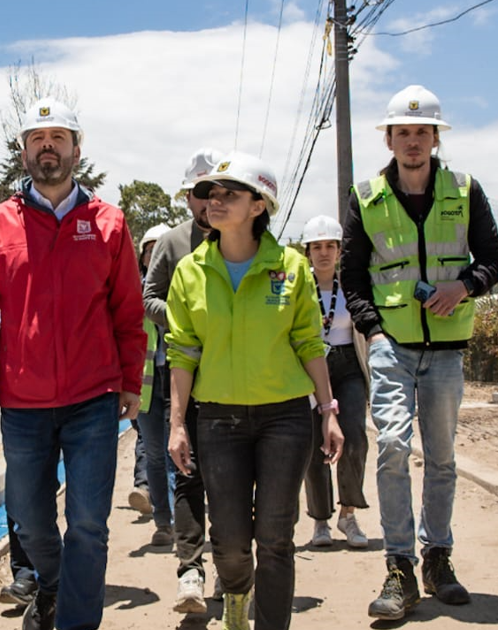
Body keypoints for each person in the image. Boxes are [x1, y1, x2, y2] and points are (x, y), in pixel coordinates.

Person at [0, 97, 146, 630]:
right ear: (23, 153)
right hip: (23, 402)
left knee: (88, 522)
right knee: (29, 519)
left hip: (93, 399)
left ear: (76, 150)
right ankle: (56, 585)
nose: (48, 147)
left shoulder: (108, 223)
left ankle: (75, 622)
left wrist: (131, 380)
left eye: (58, 137)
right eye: (37, 139)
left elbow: (128, 312)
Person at [340, 84, 498, 621]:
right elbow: (353, 275)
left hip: (447, 348)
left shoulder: (465, 188)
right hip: (391, 346)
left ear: (436, 138)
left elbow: (494, 258)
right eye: (403, 132)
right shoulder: (365, 196)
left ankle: (438, 557)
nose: (413, 141)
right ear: (388, 139)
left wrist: (465, 286)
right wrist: (374, 332)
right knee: (391, 446)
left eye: (422, 132)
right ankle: (400, 567)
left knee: (442, 458)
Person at [166, 152, 343, 630]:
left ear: (259, 205)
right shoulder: (190, 271)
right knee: (228, 540)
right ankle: (238, 597)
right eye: (212, 194)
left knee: (276, 537)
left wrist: (328, 410)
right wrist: (177, 424)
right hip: (218, 420)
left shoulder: (291, 266)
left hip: (285, 418)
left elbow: (309, 341)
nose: (216, 201)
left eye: (230, 193)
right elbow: (182, 353)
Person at [142, 147, 221, 613]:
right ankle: (190, 566)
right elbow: (147, 295)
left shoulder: (244, 241)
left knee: (230, 477)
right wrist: (180, 319)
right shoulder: (173, 243)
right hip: (183, 372)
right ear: (188, 198)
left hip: (236, 379)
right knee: (186, 468)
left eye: (215, 190)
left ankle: (233, 570)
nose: (208, 200)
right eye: (199, 192)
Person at [300, 215, 370, 549]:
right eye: (317, 246)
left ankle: (349, 513)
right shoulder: (298, 287)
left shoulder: (353, 285)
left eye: (330, 246)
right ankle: (320, 520)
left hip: (348, 366)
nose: (324, 253)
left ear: (340, 250)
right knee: (315, 444)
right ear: (307, 252)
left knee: (354, 435)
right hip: (312, 369)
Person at [133, 223, 175, 548]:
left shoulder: (185, 288)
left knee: (177, 452)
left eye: (162, 249)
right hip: (147, 386)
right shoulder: (132, 292)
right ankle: (163, 521)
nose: (156, 255)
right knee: (156, 456)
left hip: (179, 380)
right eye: (150, 250)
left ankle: (181, 520)